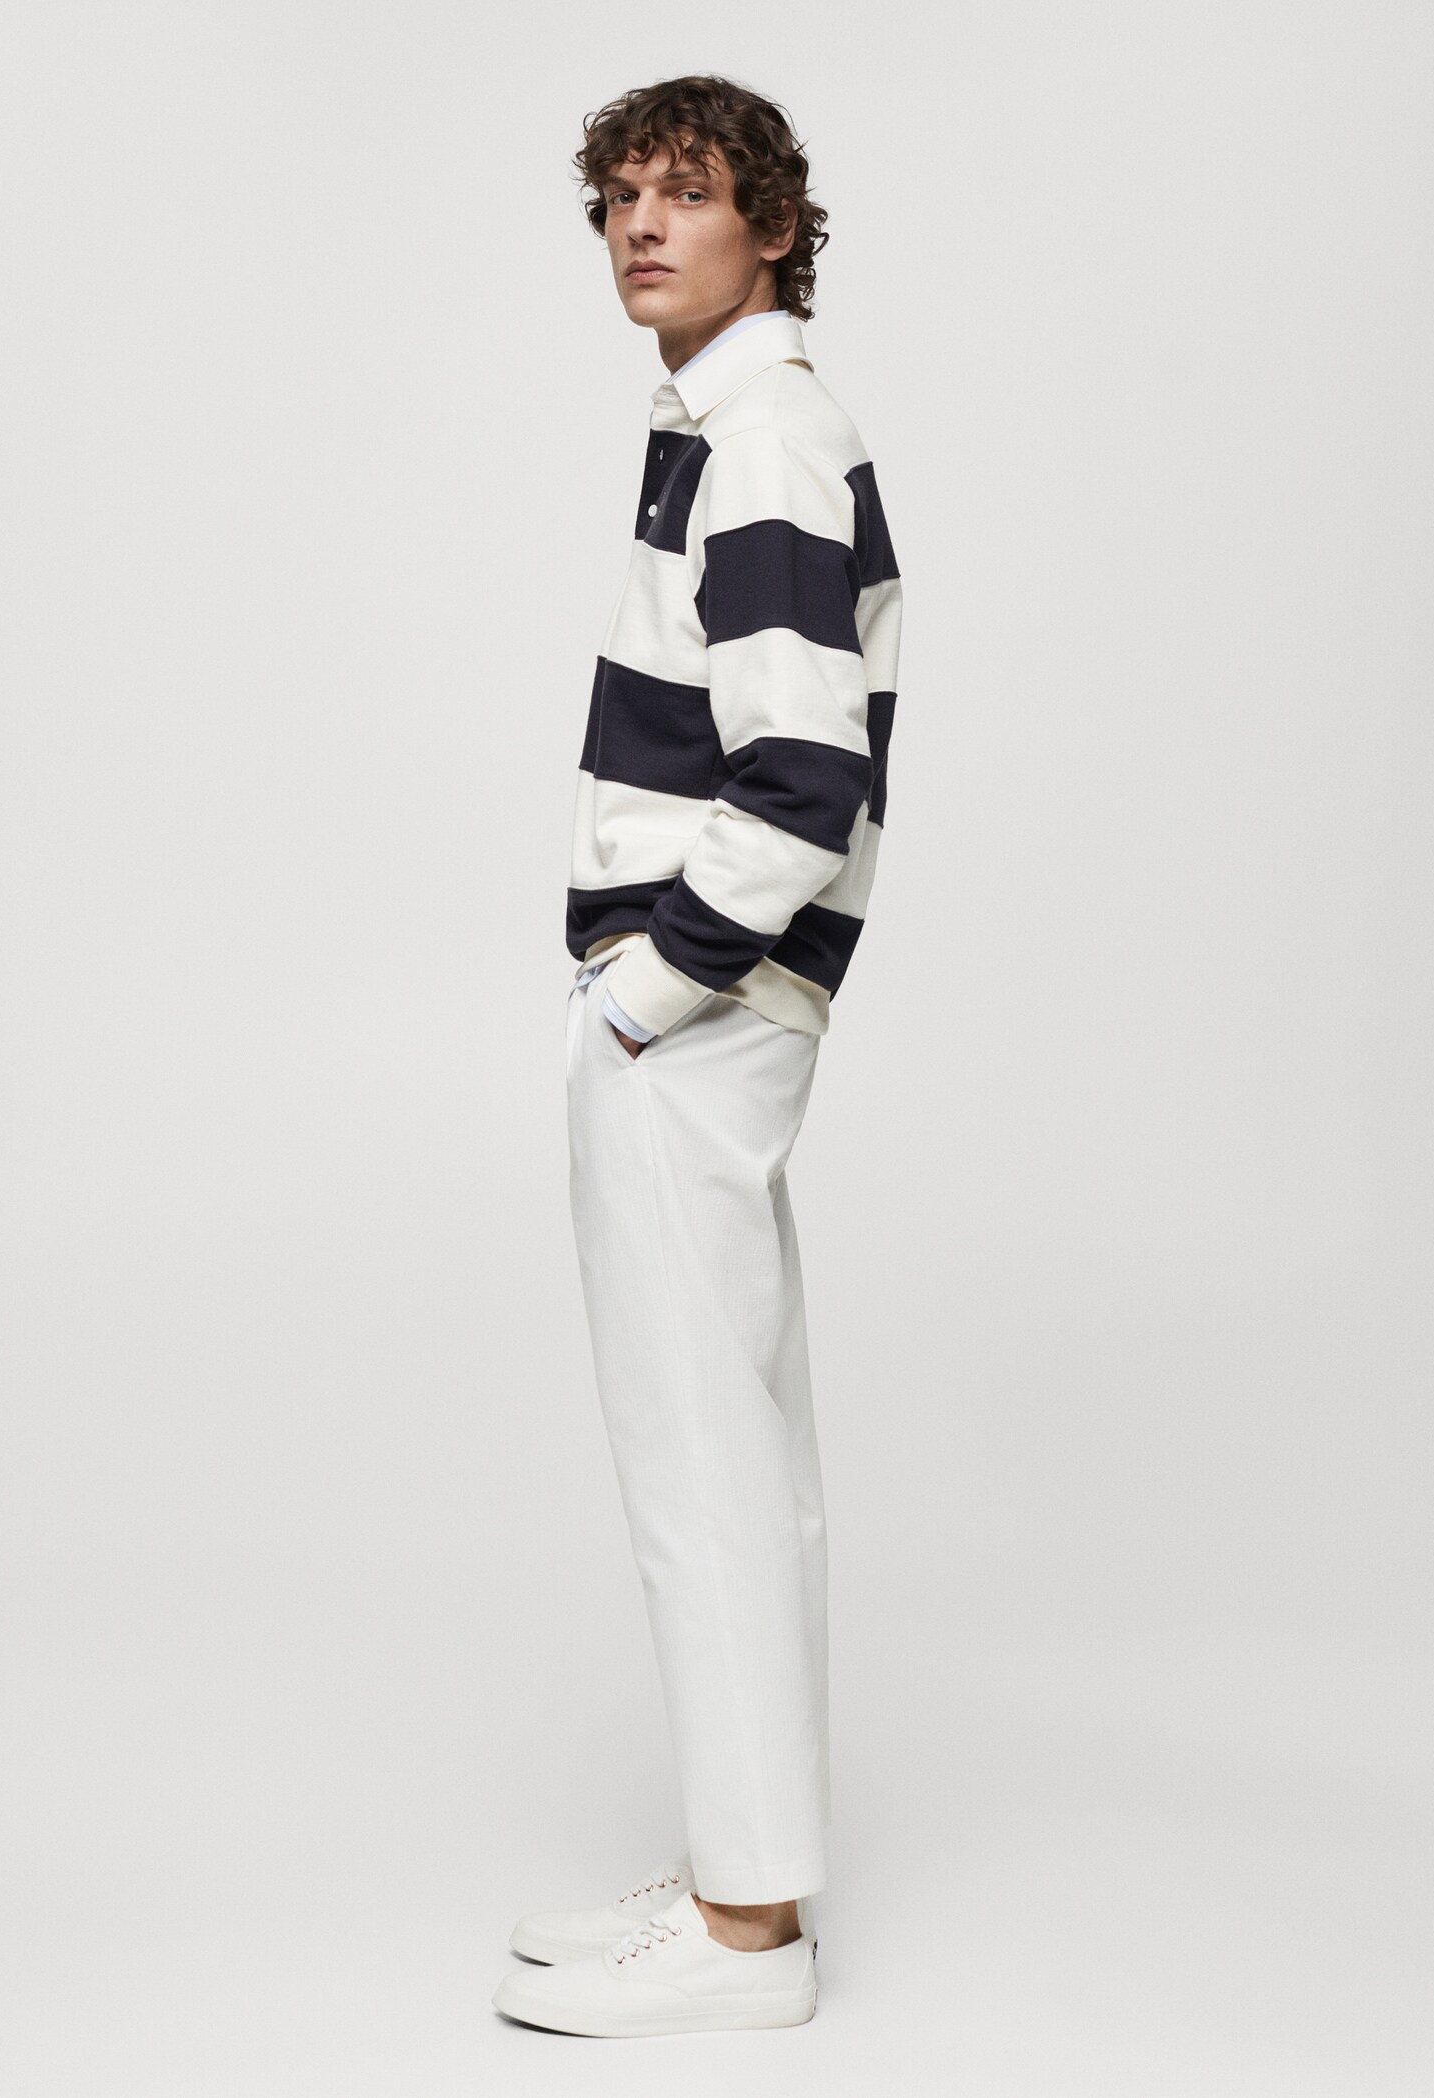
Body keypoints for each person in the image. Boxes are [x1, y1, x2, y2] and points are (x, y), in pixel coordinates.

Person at [492, 72, 902, 2040]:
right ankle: (751, 1873)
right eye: (618, 199)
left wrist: (645, 990)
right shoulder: (725, 429)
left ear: (775, 226)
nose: (643, 226)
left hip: (698, 1012)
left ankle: (747, 1940)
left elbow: (805, 770)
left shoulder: (766, 442)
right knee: (737, 1449)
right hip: (712, 1008)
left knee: (701, 1461)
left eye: (688, 192)